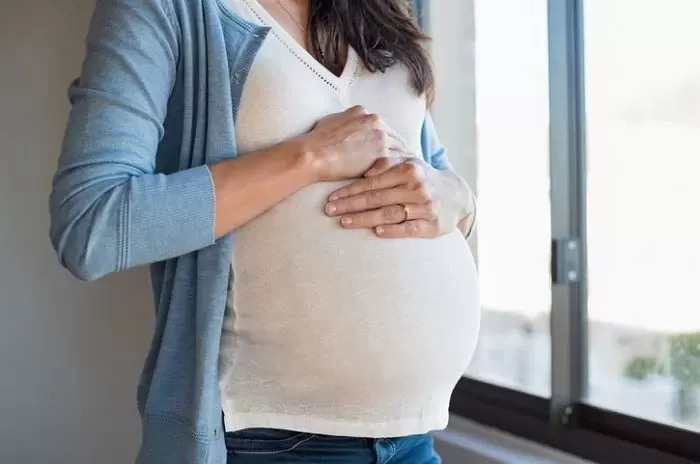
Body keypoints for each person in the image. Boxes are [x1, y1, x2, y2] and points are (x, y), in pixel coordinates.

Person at [49, 0, 480, 462]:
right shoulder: (164, 10)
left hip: (413, 438)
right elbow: (91, 226)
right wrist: (308, 158)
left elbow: (434, 177)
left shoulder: (378, 11)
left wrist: (459, 199)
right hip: (274, 442)